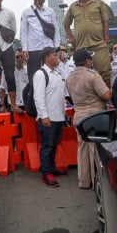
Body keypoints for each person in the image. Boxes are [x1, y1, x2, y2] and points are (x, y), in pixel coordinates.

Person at [66, 49, 111, 189]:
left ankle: (84, 181)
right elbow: (106, 96)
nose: (91, 62)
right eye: (90, 59)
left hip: (79, 115)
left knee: (83, 148)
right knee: (95, 149)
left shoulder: (69, 77)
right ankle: (96, 181)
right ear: (87, 61)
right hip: (95, 115)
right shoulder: (93, 75)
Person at [64, 0, 111, 85]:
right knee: (83, 75)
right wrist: (71, 38)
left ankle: (107, 99)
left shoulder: (98, 3)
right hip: (82, 46)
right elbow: (66, 24)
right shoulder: (73, 7)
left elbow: (105, 21)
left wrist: (106, 38)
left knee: (104, 73)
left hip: (99, 44)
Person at [33, 47, 67, 187]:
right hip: (48, 118)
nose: (57, 56)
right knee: (47, 146)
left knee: (53, 144)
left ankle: (51, 168)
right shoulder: (41, 74)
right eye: (54, 54)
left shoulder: (57, 73)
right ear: (47, 57)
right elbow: (38, 97)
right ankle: (46, 173)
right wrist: (44, 116)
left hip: (58, 116)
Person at [20, 0, 60, 79]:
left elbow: (56, 29)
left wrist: (57, 47)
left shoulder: (50, 11)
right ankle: (34, 93)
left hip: (49, 47)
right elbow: (23, 32)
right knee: (34, 75)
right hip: (34, 49)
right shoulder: (26, 12)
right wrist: (25, 49)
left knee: (51, 74)